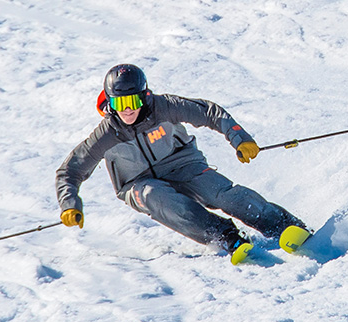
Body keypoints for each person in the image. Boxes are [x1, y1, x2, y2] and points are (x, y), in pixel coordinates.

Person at [56, 64, 308, 264]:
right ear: (110, 102)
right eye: (119, 103)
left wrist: (239, 139)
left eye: (133, 101)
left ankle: (284, 225)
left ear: (145, 96)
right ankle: (227, 236)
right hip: (137, 183)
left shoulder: (163, 107)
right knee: (160, 198)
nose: (127, 111)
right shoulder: (107, 133)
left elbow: (209, 112)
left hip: (183, 163)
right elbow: (70, 171)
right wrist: (70, 204)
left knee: (221, 193)